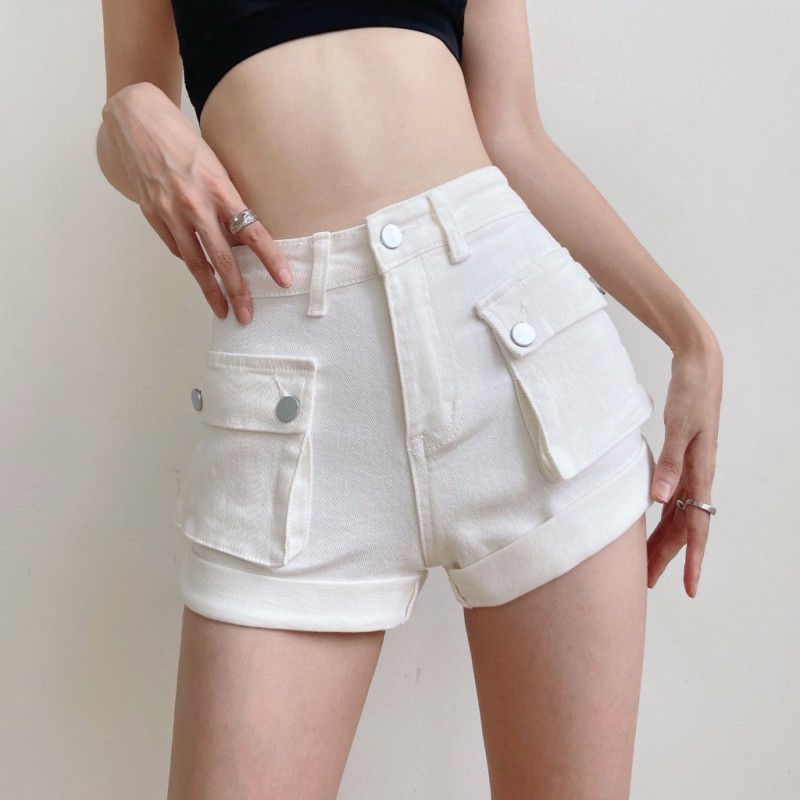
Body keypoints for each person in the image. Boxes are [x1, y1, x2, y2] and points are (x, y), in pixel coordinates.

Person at [96, 0, 723, 797]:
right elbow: (134, 130)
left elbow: (513, 135)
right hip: (291, 402)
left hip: (517, 358)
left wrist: (690, 338)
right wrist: (124, 112)